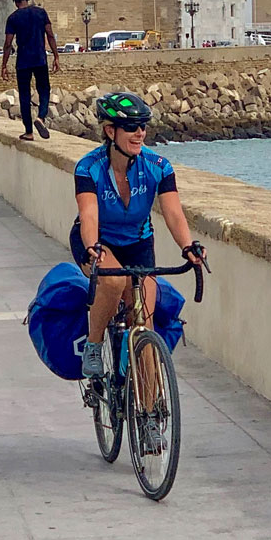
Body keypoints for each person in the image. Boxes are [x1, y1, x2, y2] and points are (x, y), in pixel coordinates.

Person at [72, 92, 205, 387]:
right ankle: (93, 346)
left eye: (143, 126)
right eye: (132, 127)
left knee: (144, 320)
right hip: (98, 240)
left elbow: (172, 212)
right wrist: (93, 247)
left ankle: (150, 416)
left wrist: (187, 246)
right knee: (113, 281)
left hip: (138, 243)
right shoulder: (88, 167)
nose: (140, 133)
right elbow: (89, 213)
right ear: (110, 131)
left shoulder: (158, 166)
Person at [1, 0, 59, 142]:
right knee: (44, 89)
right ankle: (41, 117)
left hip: (23, 61)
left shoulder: (13, 18)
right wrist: (56, 56)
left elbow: (8, 43)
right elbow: (50, 35)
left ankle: (29, 132)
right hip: (40, 59)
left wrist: (4, 65)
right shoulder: (41, 13)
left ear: (15, 1)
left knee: (25, 96)